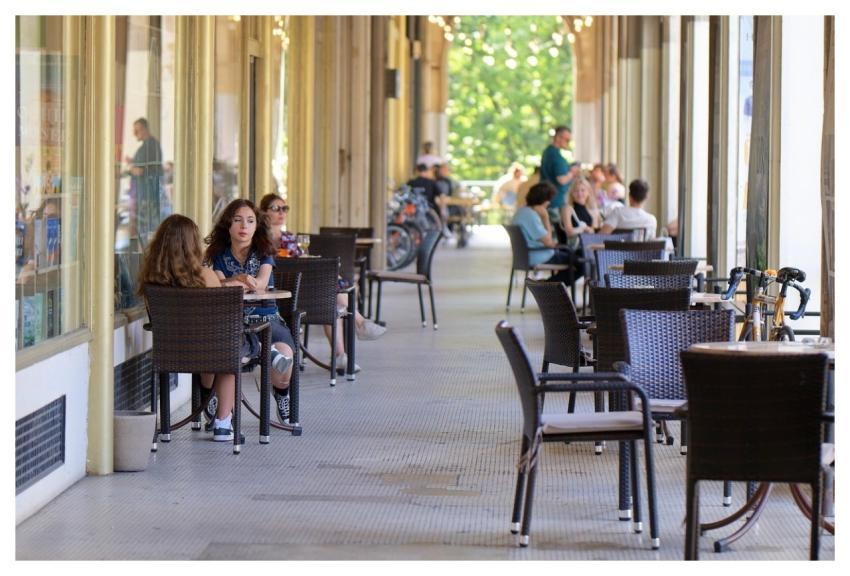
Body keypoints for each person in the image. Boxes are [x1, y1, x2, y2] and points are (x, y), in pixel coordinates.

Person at [138, 214, 248, 442]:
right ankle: (222, 424)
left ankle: (202, 406)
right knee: (230, 351)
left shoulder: (151, 281)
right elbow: (223, 318)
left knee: (218, 347)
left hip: (171, 354)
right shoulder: (206, 275)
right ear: (192, 245)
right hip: (211, 352)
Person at [258, 193, 386, 373]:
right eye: (275, 208)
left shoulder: (290, 238)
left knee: (331, 300)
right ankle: (359, 325)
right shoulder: (259, 239)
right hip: (276, 293)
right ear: (264, 213)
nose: (281, 212)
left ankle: (342, 354)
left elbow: (301, 261)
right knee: (332, 295)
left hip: (301, 290)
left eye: (284, 208)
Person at [203, 199, 296, 434]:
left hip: (267, 320)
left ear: (256, 227)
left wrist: (242, 282)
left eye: (250, 221)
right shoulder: (218, 255)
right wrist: (237, 282)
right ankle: (211, 398)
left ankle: (282, 392)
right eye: (237, 220)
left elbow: (262, 283)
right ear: (228, 225)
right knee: (212, 355)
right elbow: (219, 283)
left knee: (286, 356)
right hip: (231, 320)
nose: (244, 225)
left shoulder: (264, 253)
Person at [510, 181, 577, 285]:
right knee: (582, 262)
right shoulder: (530, 215)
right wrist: (545, 217)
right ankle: (546, 287)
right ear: (543, 200)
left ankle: (550, 287)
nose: (549, 203)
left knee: (573, 256)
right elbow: (549, 242)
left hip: (527, 255)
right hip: (538, 256)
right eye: (549, 200)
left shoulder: (521, 212)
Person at [125, 118, 163, 242]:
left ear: (143, 129)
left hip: (147, 196)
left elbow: (141, 170)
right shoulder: (152, 145)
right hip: (148, 194)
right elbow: (147, 166)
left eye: (136, 130)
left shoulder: (149, 146)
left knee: (146, 231)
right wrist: (133, 162)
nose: (134, 133)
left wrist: (128, 170)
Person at [539, 126, 577, 244]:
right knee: (558, 234)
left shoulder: (548, 152)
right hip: (555, 201)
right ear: (558, 137)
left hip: (550, 199)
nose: (568, 143)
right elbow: (561, 180)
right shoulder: (555, 156)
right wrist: (572, 172)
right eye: (567, 140)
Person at [561, 176, 601, 243]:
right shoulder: (568, 209)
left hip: (589, 244)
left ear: (588, 192)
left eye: (583, 190)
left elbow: (594, 231)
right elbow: (569, 232)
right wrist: (585, 229)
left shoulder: (592, 209)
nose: (579, 194)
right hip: (576, 247)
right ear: (572, 193)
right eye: (576, 191)